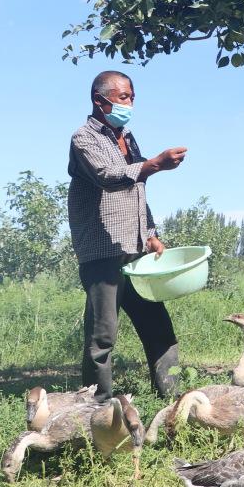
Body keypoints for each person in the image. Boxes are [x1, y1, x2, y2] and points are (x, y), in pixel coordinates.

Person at [68, 70, 188, 401]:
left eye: (132, 97)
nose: (130, 103)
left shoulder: (127, 138)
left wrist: (150, 233)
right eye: (123, 97)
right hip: (102, 252)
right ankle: (96, 410)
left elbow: (136, 189)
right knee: (102, 335)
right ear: (99, 100)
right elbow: (108, 177)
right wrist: (153, 164)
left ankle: (173, 401)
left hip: (135, 249)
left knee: (159, 327)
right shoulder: (84, 139)